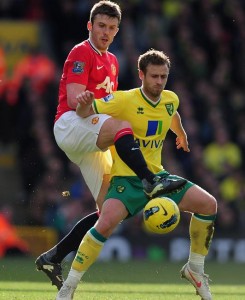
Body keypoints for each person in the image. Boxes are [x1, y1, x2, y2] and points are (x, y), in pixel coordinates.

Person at [35, 1, 186, 290]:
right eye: (101, 26)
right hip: (70, 125)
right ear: (90, 26)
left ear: (117, 31)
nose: (106, 32)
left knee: (109, 212)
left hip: (91, 134)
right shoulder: (81, 52)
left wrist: (173, 129)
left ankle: (53, 256)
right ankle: (150, 180)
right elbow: (76, 98)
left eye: (111, 28)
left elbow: (111, 107)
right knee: (122, 128)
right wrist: (83, 102)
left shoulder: (114, 61)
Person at [56, 49, 217, 300]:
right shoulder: (122, 100)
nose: (159, 82)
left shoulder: (171, 98)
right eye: (154, 76)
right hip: (128, 180)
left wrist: (181, 133)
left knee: (209, 205)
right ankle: (69, 286)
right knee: (105, 223)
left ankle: (195, 269)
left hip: (159, 177)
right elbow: (87, 113)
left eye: (163, 76)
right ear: (141, 74)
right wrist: (85, 104)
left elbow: (171, 113)